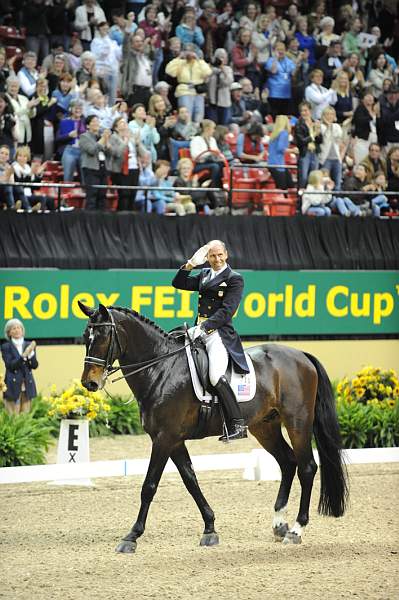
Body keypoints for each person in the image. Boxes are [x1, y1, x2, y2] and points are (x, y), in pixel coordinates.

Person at [172, 240, 249, 442]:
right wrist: (189, 265)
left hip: (219, 333)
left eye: (220, 255)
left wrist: (204, 328)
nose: (217, 259)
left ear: (226, 254)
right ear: (207, 258)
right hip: (199, 330)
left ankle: (238, 424)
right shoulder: (205, 275)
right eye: (212, 256)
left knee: (215, 375)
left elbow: (227, 311)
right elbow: (178, 283)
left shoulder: (234, 279)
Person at [1, 318, 38, 415]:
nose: (17, 330)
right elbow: (11, 366)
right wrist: (23, 356)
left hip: (27, 386)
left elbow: (34, 365)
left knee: (25, 417)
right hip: (12, 386)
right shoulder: (6, 347)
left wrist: (31, 356)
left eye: (19, 328)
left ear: (22, 330)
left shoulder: (29, 345)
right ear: (9, 333)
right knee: (13, 417)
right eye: (13, 328)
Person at [79, 114, 110, 210]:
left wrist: (107, 140)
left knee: (102, 195)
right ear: (88, 125)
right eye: (93, 121)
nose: (96, 123)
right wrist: (103, 139)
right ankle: (89, 220)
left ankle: (100, 219)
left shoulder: (101, 136)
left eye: (97, 121)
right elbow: (92, 150)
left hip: (103, 168)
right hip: (91, 168)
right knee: (92, 195)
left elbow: (108, 152)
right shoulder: (84, 137)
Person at [294, 101, 322, 189]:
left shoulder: (315, 122)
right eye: (302, 111)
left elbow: (320, 140)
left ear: (310, 111)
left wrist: (318, 131)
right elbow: (301, 141)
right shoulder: (298, 124)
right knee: (303, 177)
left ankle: (312, 199)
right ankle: (301, 199)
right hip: (305, 153)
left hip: (315, 152)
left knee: (314, 178)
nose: (303, 113)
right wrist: (313, 134)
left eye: (305, 110)